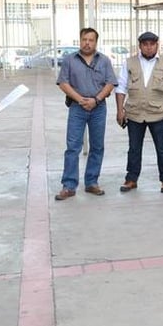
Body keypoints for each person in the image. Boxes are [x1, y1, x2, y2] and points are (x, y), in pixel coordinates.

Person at [55, 27, 118, 200]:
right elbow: (63, 83)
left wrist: (96, 100)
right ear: (80, 40)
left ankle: (91, 182)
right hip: (77, 107)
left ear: (96, 42)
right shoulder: (70, 60)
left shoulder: (104, 61)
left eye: (91, 40)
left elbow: (110, 83)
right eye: (84, 39)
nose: (87, 43)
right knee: (73, 147)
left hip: (98, 108)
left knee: (97, 146)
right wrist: (80, 99)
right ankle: (69, 185)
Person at [115, 31, 163, 194]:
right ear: (140, 46)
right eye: (145, 44)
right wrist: (119, 110)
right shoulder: (129, 63)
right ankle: (131, 179)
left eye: (152, 44)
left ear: (156, 45)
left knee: (162, 147)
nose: (149, 47)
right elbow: (121, 87)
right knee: (134, 148)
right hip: (135, 113)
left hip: (158, 113)